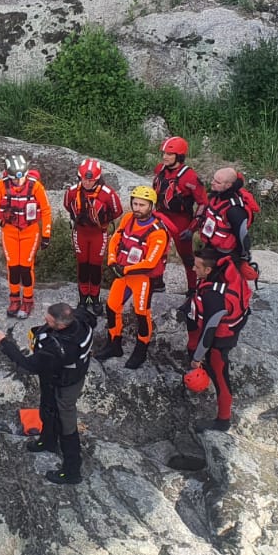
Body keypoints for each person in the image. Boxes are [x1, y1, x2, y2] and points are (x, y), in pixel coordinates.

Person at [0, 302, 95, 484]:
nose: (43, 320)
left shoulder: (60, 348)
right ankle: (48, 440)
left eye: (48, 320)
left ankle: (72, 471)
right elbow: (89, 317)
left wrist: (4, 342)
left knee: (66, 424)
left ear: (61, 325)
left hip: (66, 384)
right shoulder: (79, 318)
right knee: (47, 408)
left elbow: (27, 365)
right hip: (54, 375)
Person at [97, 185, 170, 370]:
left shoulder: (158, 232)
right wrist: (112, 260)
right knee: (112, 307)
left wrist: (125, 269)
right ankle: (114, 344)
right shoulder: (129, 218)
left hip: (142, 277)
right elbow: (116, 238)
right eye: (135, 203)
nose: (137, 208)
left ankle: (141, 349)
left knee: (141, 313)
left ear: (151, 206)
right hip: (123, 272)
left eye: (142, 205)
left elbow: (151, 262)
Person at [185, 248, 255, 432]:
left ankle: (223, 420)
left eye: (197, 266)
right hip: (216, 332)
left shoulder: (213, 296)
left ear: (208, 270)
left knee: (220, 377)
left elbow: (210, 329)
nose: (193, 269)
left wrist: (198, 357)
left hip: (219, 342)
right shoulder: (214, 277)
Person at [0, 155, 52, 319]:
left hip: (30, 231)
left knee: (26, 267)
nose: (19, 181)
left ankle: (28, 300)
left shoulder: (36, 187)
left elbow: (46, 210)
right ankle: (14, 298)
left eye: (22, 177)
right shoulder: (1, 186)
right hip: (9, 231)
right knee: (13, 267)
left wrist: (46, 235)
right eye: (15, 178)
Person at [63, 158, 122, 314]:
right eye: (84, 179)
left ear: (97, 179)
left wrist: (103, 219)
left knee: (95, 266)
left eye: (91, 180)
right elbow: (67, 205)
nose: (87, 182)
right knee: (82, 265)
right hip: (80, 232)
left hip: (98, 234)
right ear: (79, 177)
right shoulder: (72, 191)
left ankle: (95, 298)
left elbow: (117, 211)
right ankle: (83, 298)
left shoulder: (108, 194)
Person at [152, 136, 206, 295]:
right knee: (158, 251)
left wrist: (192, 228)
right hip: (161, 216)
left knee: (187, 257)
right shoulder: (159, 169)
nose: (164, 157)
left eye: (169, 154)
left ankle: (192, 289)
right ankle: (158, 282)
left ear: (179, 156)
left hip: (181, 221)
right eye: (164, 153)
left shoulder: (190, 176)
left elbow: (203, 203)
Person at [196, 167, 257, 261]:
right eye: (213, 179)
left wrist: (243, 255)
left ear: (228, 185)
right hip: (210, 245)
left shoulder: (234, 210)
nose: (212, 183)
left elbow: (242, 235)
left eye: (217, 182)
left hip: (225, 253)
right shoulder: (216, 196)